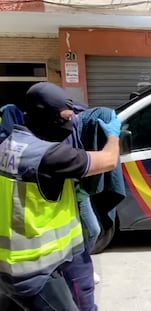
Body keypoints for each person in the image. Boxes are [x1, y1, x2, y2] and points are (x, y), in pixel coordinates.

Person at [0, 82, 121, 310]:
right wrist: (113, 136)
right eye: (65, 117)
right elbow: (109, 160)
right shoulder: (47, 155)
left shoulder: (9, 144)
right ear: (45, 117)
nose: (70, 122)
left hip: (31, 261)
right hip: (34, 271)